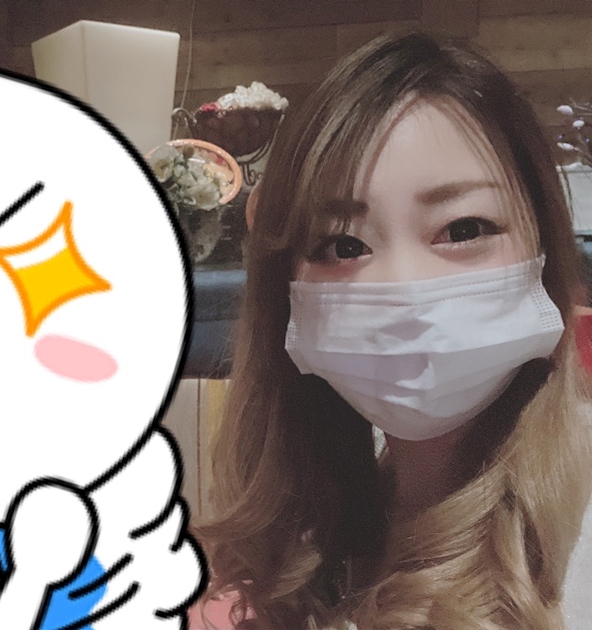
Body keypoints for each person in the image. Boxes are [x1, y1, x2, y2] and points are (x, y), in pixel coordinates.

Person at [190, 31, 592, 630]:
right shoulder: (320, 534)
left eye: (463, 229)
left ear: (544, 247)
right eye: (343, 245)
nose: (405, 287)